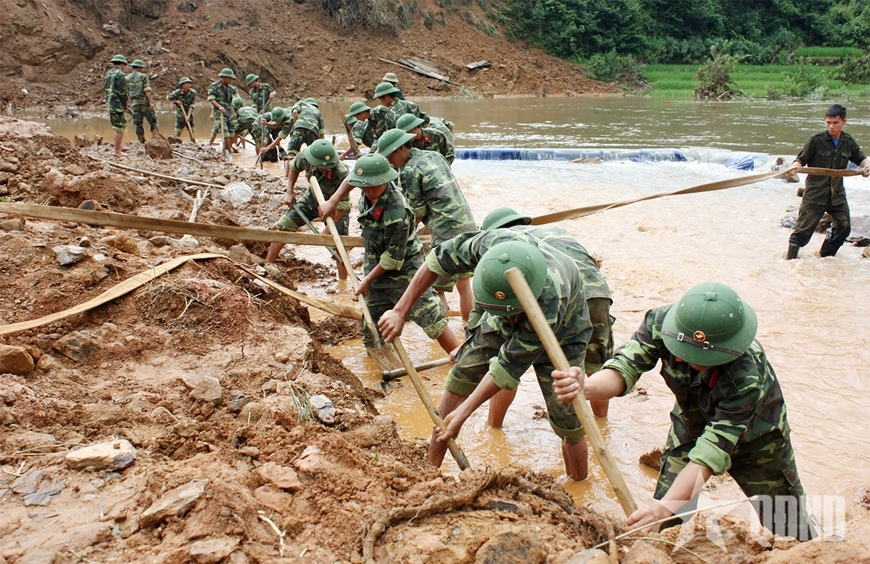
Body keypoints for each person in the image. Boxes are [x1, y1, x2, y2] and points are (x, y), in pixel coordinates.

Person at [551, 282, 816, 541]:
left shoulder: (746, 374)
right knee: (665, 522)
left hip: (759, 444)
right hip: (690, 424)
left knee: (789, 527)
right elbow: (625, 367)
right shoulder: (662, 324)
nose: (693, 361)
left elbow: (710, 453)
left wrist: (665, 507)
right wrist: (585, 386)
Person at [378, 230, 593, 480]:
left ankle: (579, 492)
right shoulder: (489, 246)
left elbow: (505, 368)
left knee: (569, 419)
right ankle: (427, 471)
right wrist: (400, 311)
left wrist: (463, 414)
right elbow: (435, 261)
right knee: (461, 375)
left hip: (564, 334)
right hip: (504, 307)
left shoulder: (550, 300)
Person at [480, 207, 614, 419]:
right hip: (598, 294)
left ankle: (494, 426)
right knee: (596, 365)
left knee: (507, 361)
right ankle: (601, 422)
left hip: (564, 295)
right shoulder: (553, 230)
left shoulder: (510, 247)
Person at [344, 153, 459, 356]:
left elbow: (393, 259)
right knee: (372, 329)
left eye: (374, 186)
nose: (369, 191)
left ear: (385, 181)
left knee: (432, 319)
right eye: (364, 186)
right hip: (376, 265)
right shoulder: (368, 190)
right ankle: (384, 365)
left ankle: (460, 360)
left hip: (406, 270)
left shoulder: (397, 212)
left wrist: (367, 280)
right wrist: (334, 199)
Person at [377, 129, 476, 321]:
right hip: (467, 224)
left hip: (446, 231)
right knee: (464, 285)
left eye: (390, 157)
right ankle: (468, 330)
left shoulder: (409, 171)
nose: (390, 162)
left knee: (436, 288)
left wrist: (401, 239)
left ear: (400, 150)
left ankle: (443, 339)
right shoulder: (435, 155)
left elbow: (417, 212)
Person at [786, 104, 870, 259]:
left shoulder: (848, 142)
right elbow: (800, 160)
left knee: (844, 228)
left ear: (844, 121)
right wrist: (793, 168)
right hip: (815, 195)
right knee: (801, 233)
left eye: (835, 123)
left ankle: (825, 257)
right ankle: (789, 262)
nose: (831, 126)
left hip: (836, 195)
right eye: (828, 122)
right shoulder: (815, 140)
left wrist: (866, 167)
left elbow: (861, 158)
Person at [266, 139, 349, 280]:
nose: (324, 170)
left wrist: (328, 229)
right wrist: (290, 191)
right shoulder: (305, 156)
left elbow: (343, 205)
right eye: (321, 167)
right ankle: (267, 265)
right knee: (284, 225)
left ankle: (343, 284)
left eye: (327, 167)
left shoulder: (342, 173)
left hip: (335, 206)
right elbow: (294, 167)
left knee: (340, 245)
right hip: (312, 199)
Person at [370, 82, 429, 150]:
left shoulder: (390, 115)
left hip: (407, 148)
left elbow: (391, 138)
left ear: (386, 97)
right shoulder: (412, 104)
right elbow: (426, 119)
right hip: (422, 142)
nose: (381, 102)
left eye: (380, 99)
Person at [126, 59, 159, 143]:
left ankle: (141, 141)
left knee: (138, 123)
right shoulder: (143, 76)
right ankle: (156, 140)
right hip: (144, 102)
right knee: (153, 121)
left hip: (134, 104)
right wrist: (150, 102)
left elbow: (126, 92)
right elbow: (147, 90)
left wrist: (128, 103)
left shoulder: (127, 78)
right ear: (140, 67)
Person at [207, 68, 239, 155]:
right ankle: (229, 152)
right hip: (219, 112)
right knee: (225, 132)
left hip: (229, 112)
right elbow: (211, 99)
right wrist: (219, 107)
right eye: (230, 78)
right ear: (224, 77)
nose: (231, 80)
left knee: (232, 132)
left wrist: (233, 112)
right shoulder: (214, 86)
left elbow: (231, 101)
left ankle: (225, 149)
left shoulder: (231, 88)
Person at [104, 54, 129, 157]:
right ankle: (117, 151)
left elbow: (105, 89)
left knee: (117, 125)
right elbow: (122, 92)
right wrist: (125, 104)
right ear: (122, 64)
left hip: (110, 103)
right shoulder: (120, 74)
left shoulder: (108, 74)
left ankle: (119, 146)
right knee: (119, 127)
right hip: (117, 104)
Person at [167, 77, 196, 142]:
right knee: (178, 131)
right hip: (180, 115)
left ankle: (193, 143)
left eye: (189, 83)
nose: (188, 85)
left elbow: (192, 105)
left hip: (189, 114)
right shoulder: (177, 92)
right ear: (182, 85)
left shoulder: (192, 92)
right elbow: (168, 98)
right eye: (186, 83)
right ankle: (176, 143)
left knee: (191, 130)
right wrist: (176, 101)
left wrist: (188, 116)